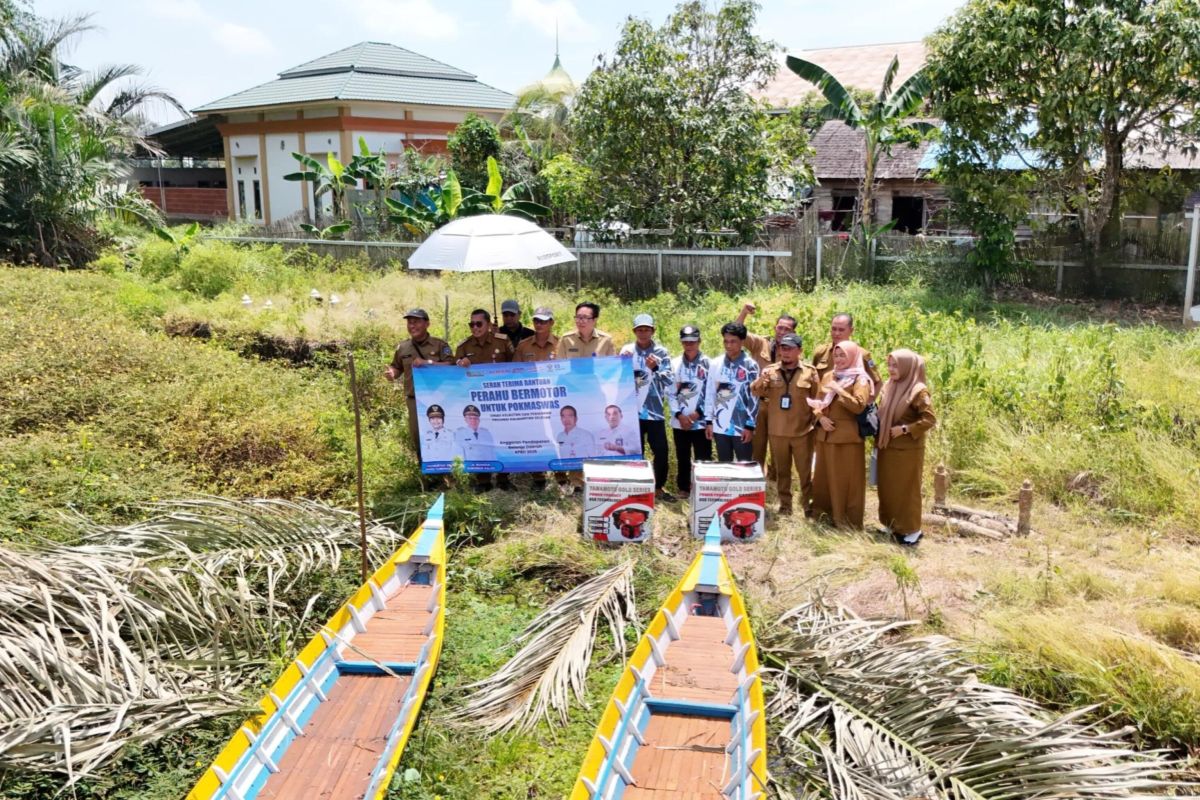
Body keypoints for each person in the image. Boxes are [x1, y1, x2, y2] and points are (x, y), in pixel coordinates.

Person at [750, 333, 819, 516]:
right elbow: (755, 392)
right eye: (783, 348)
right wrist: (760, 379)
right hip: (777, 431)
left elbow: (818, 400)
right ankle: (785, 506)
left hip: (803, 432)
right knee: (782, 472)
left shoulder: (810, 372)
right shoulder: (771, 371)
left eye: (790, 349)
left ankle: (808, 506)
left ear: (800, 351)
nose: (785, 352)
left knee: (805, 473)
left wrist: (815, 425)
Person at [809, 340, 874, 528]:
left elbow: (859, 406)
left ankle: (845, 521)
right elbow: (818, 401)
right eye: (836, 355)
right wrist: (820, 417)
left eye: (842, 355)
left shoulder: (860, 379)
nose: (838, 359)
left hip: (846, 438)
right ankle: (823, 515)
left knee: (845, 480)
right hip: (825, 435)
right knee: (823, 478)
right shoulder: (829, 375)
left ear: (853, 356)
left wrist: (839, 391)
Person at [876, 349, 937, 546]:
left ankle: (911, 529)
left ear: (907, 367)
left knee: (907, 489)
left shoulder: (918, 390)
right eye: (890, 365)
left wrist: (905, 429)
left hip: (908, 450)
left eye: (896, 365)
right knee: (888, 488)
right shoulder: (889, 385)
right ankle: (890, 524)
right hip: (887, 446)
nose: (891, 369)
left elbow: (929, 419)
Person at [556, 301, 614, 492]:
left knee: (593, 435)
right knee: (574, 435)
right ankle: (575, 481)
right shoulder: (566, 339)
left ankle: (595, 477)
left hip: (596, 397)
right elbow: (559, 369)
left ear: (594, 320)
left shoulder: (606, 340)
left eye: (585, 318)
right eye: (578, 317)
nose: (580, 321)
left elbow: (611, 370)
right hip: (571, 397)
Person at [736, 302, 800, 477]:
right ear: (775, 327)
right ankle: (756, 482)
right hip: (758, 404)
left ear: (793, 332)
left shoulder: (792, 351)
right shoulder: (760, 343)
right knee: (756, 446)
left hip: (779, 406)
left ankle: (776, 482)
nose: (782, 331)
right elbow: (737, 332)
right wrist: (744, 313)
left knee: (778, 447)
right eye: (779, 327)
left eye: (787, 329)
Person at [455, 309, 513, 490]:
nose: (475, 327)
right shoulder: (464, 347)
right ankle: (483, 480)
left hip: (501, 399)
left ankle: (504, 478)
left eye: (479, 324)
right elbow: (453, 375)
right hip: (476, 400)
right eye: (471, 324)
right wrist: (460, 366)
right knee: (479, 437)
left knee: (502, 436)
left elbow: (517, 366)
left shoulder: (502, 342)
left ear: (488, 324)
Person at [619, 313, 674, 499]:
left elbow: (669, 380)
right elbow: (618, 378)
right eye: (640, 329)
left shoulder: (661, 352)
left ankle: (658, 487)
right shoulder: (626, 350)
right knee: (636, 451)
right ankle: (637, 487)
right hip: (632, 411)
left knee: (661, 451)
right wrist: (622, 363)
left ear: (653, 331)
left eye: (647, 329)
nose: (643, 333)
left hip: (655, 411)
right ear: (634, 331)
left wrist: (656, 369)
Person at [385, 308, 453, 453]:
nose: (412, 326)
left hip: (439, 398)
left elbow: (450, 367)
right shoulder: (403, 347)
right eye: (409, 323)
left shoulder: (439, 345)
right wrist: (392, 373)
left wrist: (428, 363)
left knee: (445, 434)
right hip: (415, 400)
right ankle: (426, 472)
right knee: (418, 437)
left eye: (416, 322)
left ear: (427, 324)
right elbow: (396, 368)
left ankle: (447, 471)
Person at [513, 306, 559, 490]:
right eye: (536, 321)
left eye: (544, 321)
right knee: (535, 436)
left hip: (554, 399)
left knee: (556, 433)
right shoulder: (523, 345)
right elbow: (514, 372)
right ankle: (538, 476)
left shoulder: (560, 344)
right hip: (531, 400)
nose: (539, 324)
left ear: (551, 323)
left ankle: (561, 475)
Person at [704, 322, 760, 462]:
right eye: (726, 341)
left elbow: (754, 397)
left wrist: (750, 425)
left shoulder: (750, 365)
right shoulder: (715, 363)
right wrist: (708, 421)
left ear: (742, 341)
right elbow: (710, 393)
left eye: (733, 341)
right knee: (724, 465)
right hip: (719, 425)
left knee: (743, 465)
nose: (728, 345)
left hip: (741, 426)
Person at [667, 325, 712, 496]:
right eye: (685, 341)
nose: (689, 344)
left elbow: (711, 393)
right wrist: (679, 415)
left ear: (699, 341)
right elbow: (670, 393)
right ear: (681, 342)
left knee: (703, 457)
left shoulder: (709, 363)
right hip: (680, 421)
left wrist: (697, 414)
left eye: (693, 341)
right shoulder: (674, 363)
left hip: (700, 420)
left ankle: (703, 489)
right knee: (683, 457)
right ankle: (684, 488)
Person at [812, 313, 882, 393]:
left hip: (848, 403)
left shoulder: (861, 355)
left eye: (841, 330)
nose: (836, 333)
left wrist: (865, 403)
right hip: (823, 402)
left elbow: (878, 382)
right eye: (834, 329)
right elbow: (813, 378)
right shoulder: (821, 352)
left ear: (851, 330)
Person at [454, 405, 498, 491]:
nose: (473, 420)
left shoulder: (486, 432)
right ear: (465, 419)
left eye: (475, 418)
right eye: (470, 418)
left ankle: (485, 483)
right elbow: (458, 453)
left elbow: (491, 451)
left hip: (485, 469)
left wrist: (494, 467)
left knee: (486, 485)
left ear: (479, 419)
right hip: (469, 469)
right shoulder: (460, 433)